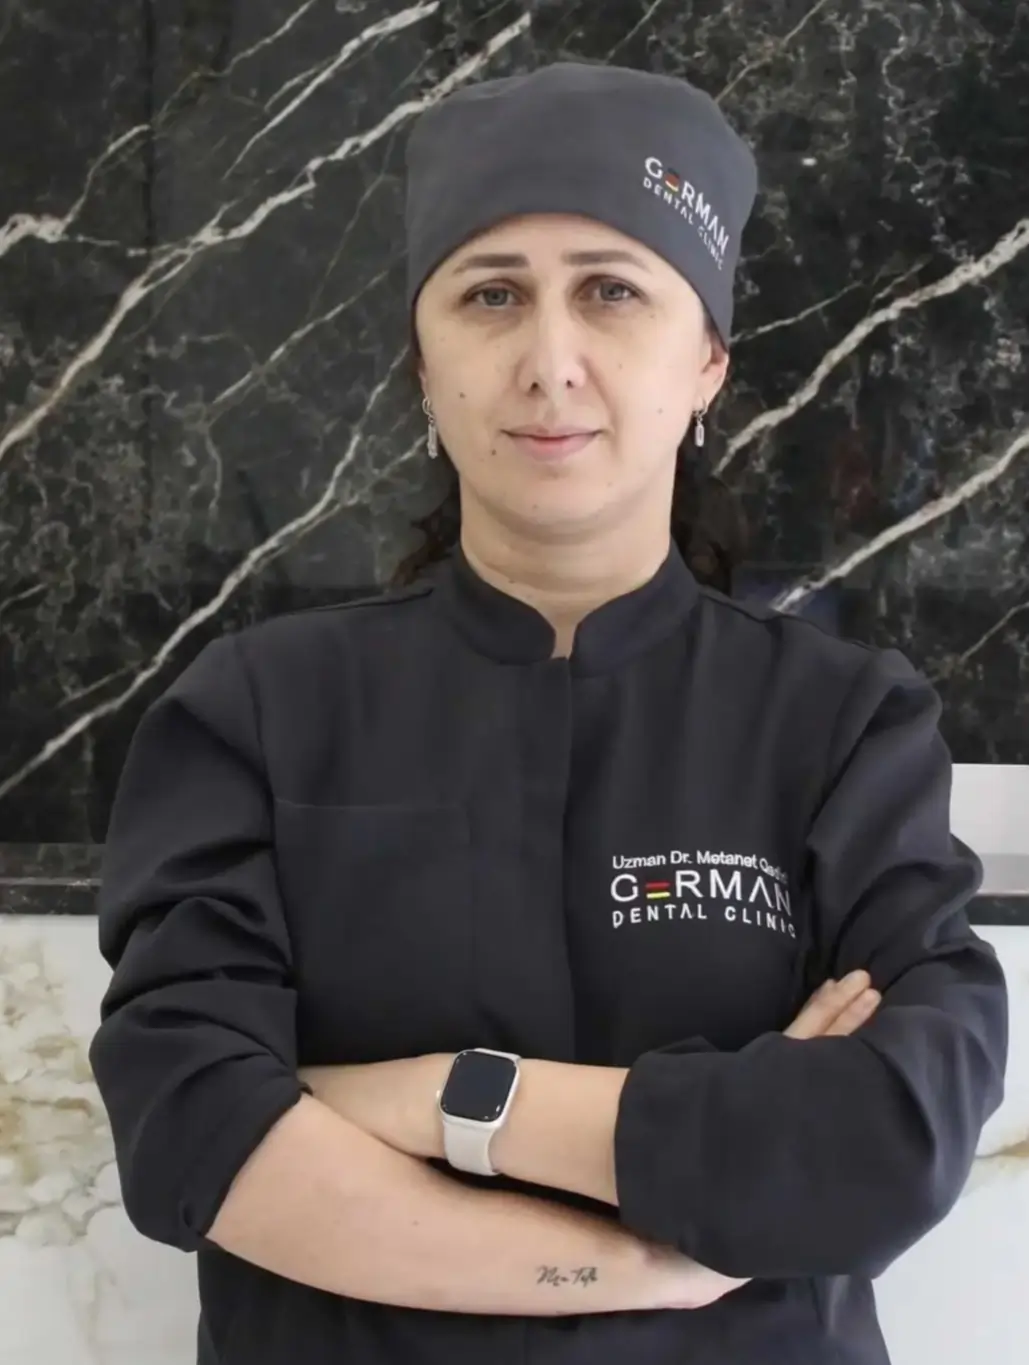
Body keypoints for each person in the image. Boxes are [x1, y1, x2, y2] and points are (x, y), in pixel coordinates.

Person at [89, 61, 1008, 1365]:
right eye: (493, 294)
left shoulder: (846, 727)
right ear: (425, 364)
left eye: (611, 290)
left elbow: (889, 1140)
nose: (549, 362)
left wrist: (448, 1102)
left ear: (707, 363)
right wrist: (649, 1259)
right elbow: (192, 1131)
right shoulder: (252, 714)